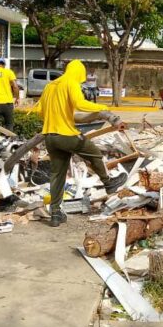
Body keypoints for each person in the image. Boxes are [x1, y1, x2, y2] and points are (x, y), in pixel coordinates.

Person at [35, 60, 127, 227]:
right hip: (67, 135)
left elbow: (40, 112)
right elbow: (80, 104)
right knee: (94, 153)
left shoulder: (50, 86)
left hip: (50, 136)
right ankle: (109, 184)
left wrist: (62, 117)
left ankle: (55, 213)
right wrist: (100, 108)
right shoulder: (70, 83)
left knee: (57, 175)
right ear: (79, 73)